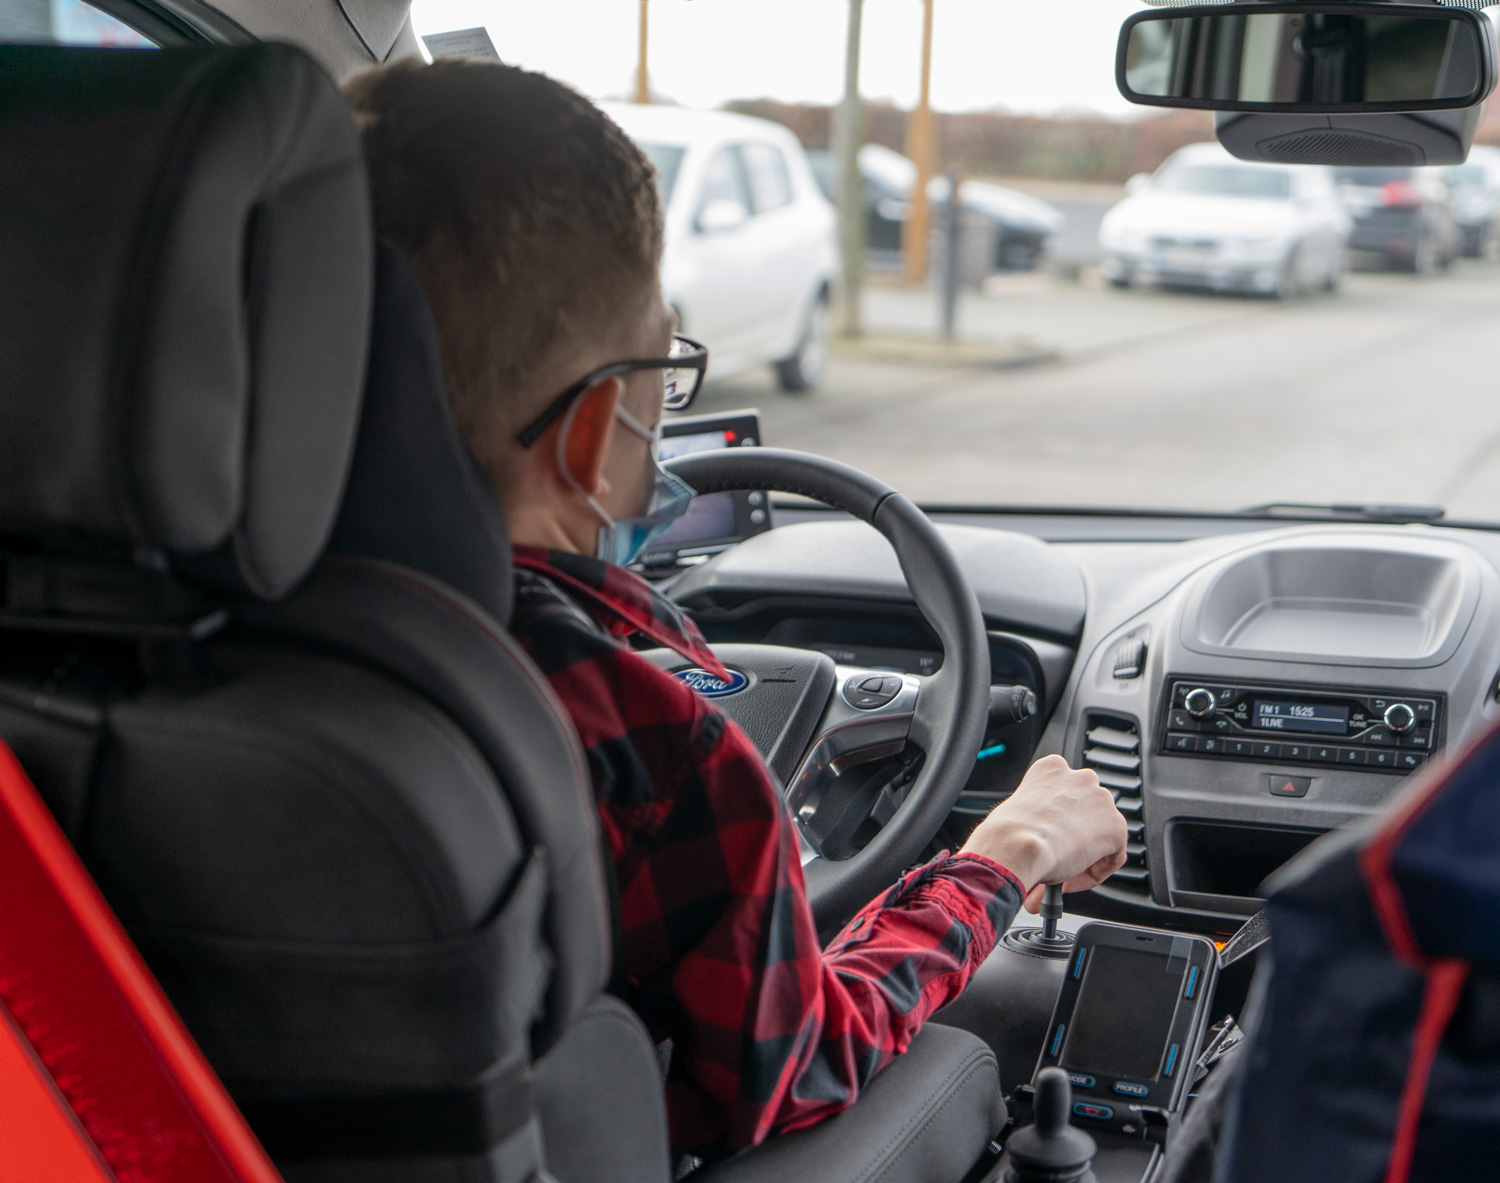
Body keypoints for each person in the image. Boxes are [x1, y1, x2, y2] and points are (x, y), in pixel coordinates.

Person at [345, 59, 1128, 1164]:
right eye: (663, 381)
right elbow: (800, 1058)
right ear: (590, 434)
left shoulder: (130, 626)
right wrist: (1004, 854)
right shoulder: (649, 737)